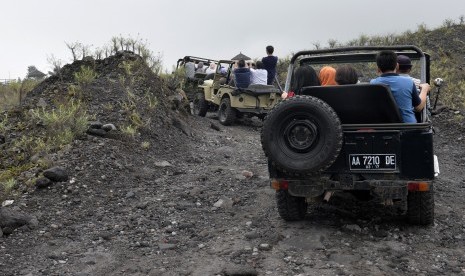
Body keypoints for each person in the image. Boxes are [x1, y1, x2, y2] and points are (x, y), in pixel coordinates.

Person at [370, 50, 430, 123]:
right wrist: (424, 89)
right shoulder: (408, 82)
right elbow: (418, 107)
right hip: (408, 126)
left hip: (383, 127)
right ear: (397, 66)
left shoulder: (373, 83)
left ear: (378, 69)